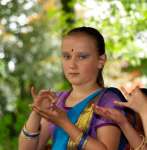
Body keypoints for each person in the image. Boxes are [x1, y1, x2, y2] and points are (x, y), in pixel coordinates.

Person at [19, 26, 126, 150]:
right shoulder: (57, 100)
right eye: (66, 56)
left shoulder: (108, 101)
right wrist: (37, 112)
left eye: (82, 57)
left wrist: (65, 123)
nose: (72, 65)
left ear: (101, 60)